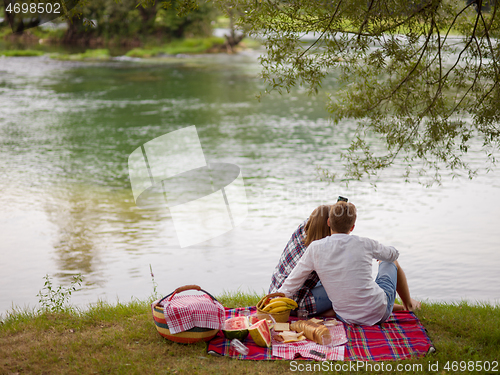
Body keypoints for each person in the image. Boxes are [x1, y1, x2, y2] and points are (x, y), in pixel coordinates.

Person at [278, 201, 420, 325]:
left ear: (329, 223)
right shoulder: (365, 243)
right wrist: (380, 253)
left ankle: (402, 304)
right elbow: (394, 254)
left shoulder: (315, 248)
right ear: (352, 227)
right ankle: (408, 304)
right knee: (390, 261)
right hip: (379, 314)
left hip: (346, 317)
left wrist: (275, 300)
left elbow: (291, 283)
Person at [269, 205, 333, 316]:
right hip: (293, 303)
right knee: (343, 289)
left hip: (275, 289)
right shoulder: (318, 251)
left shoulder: (303, 227)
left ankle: (328, 311)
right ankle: (326, 314)